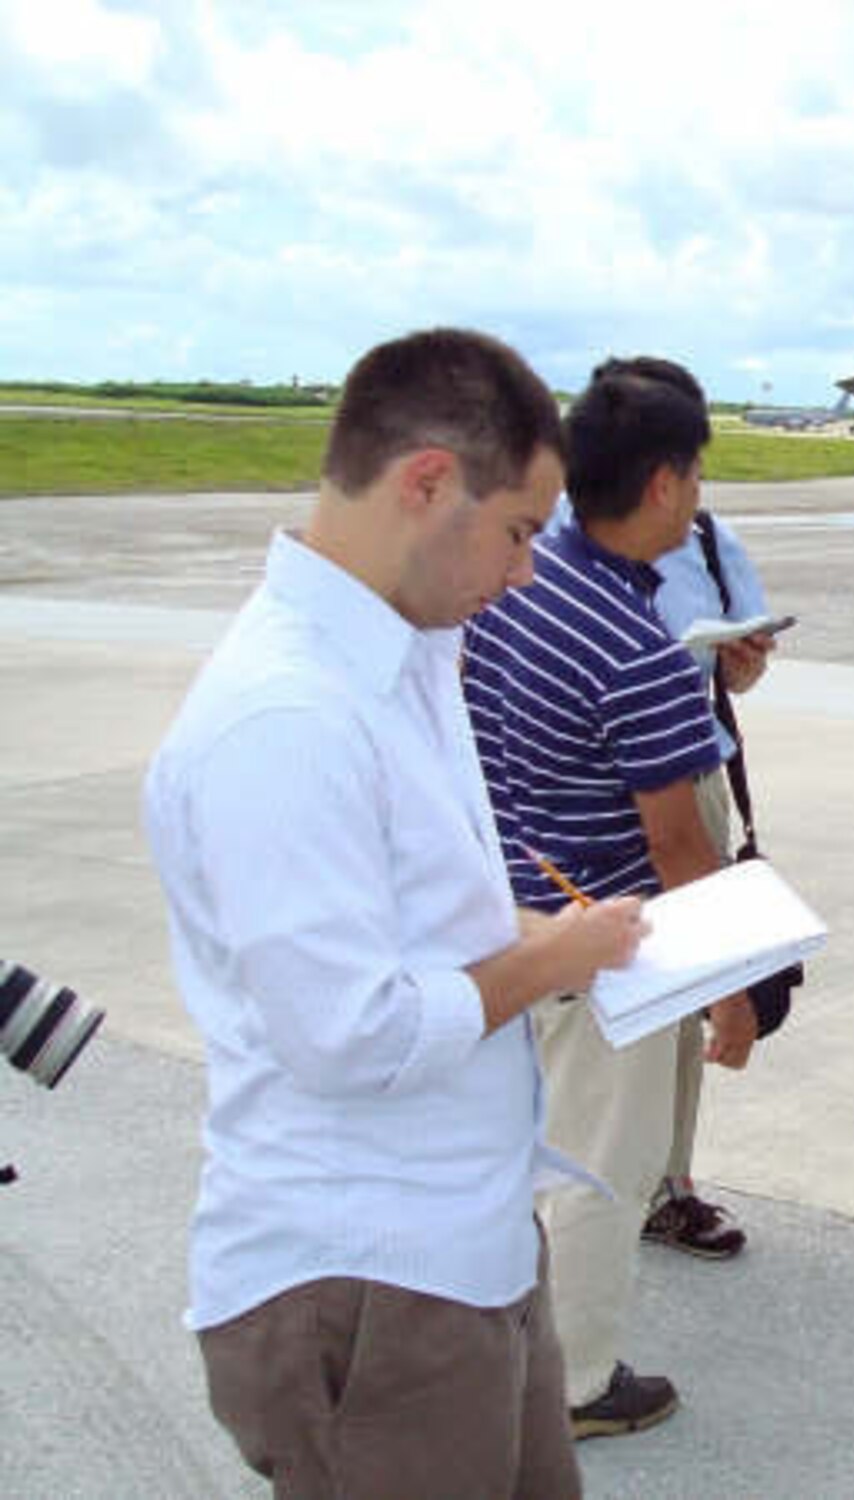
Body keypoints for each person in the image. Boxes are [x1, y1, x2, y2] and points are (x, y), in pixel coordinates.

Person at [144, 327, 646, 1499]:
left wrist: (573, 943)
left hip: (460, 1245)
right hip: (368, 1281)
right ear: (426, 481)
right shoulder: (290, 715)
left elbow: (422, 928)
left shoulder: (407, 656)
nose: (525, 573)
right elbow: (349, 1033)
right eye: (520, 531)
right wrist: (551, 956)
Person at [461, 355, 759, 1441]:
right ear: (665, 483)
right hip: (605, 947)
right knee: (600, 1168)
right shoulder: (638, 650)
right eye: (694, 478)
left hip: (506, 922)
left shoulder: (519, 586)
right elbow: (680, 846)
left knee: (519, 1152)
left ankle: (500, 1344)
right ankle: (576, 1385)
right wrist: (738, 992)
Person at [638, 506, 780, 1259]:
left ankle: (666, 1187)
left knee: (680, 988)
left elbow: (743, 661)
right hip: (579, 785)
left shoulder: (706, 536)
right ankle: (570, 1176)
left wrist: (744, 661)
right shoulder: (540, 527)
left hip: (689, 772)